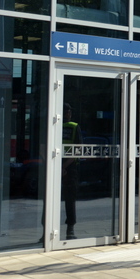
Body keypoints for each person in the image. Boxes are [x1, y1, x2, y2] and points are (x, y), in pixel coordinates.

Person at [61, 103, 82, 240]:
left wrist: (58, 167)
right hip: (70, 167)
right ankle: (70, 230)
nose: (69, 114)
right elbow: (78, 149)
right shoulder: (74, 127)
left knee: (49, 199)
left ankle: (46, 231)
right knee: (70, 199)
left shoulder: (53, 125)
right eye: (69, 111)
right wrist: (64, 167)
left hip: (55, 165)